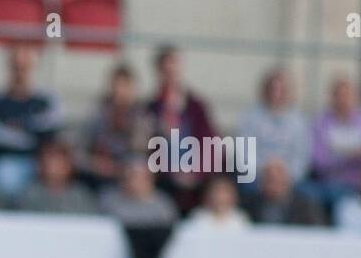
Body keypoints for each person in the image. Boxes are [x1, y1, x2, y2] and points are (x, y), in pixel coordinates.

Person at [0, 44, 63, 199]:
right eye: (16, 66)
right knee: (5, 174)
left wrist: (19, 128)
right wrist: (30, 132)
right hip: (5, 160)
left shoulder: (47, 101)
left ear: (32, 67)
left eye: (24, 66)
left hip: (39, 159)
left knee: (55, 167)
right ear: (9, 67)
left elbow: (52, 129)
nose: (20, 71)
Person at [145, 46, 216, 212]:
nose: (170, 74)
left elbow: (211, 144)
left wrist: (197, 171)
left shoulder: (196, 106)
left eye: (173, 68)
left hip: (197, 177)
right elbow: (146, 148)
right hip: (164, 178)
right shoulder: (151, 109)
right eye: (165, 69)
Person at [311, 76, 361, 203]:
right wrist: (348, 158)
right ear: (332, 97)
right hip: (328, 184)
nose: (343, 100)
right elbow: (319, 163)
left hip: (360, 185)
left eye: (347, 96)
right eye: (339, 95)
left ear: (355, 98)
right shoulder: (320, 124)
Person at [79, 63, 151, 191]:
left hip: (128, 172)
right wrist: (96, 163)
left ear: (132, 88)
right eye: (116, 85)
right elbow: (80, 150)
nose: (119, 91)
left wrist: (119, 167)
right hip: (99, 172)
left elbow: (141, 151)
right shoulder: (97, 114)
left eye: (124, 86)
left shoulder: (142, 117)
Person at [235, 68, 310, 187]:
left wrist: (283, 175)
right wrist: (267, 172)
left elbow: (301, 157)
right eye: (273, 89)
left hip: (290, 180)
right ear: (264, 91)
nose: (276, 94)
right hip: (258, 177)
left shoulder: (299, 121)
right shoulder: (249, 118)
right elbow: (244, 155)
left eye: (281, 90)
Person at [17, 141, 99, 216]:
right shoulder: (30, 194)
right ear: (41, 165)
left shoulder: (81, 195)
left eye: (60, 162)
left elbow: (91, 223)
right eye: (50, 162)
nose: (55, 167)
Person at [241, 158, 325, 227]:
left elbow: (317, 233)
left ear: (287, 180)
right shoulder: (249, 205)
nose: (274, 184)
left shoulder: (305, 207)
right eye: (270, 179)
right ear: (261, 182)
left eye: (278, 180)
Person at [182, 176, 250, 232]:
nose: (221, 197)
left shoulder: (240, 219)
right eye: (217, 192)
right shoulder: (197, 218)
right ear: (207, 195)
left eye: (225, 192)